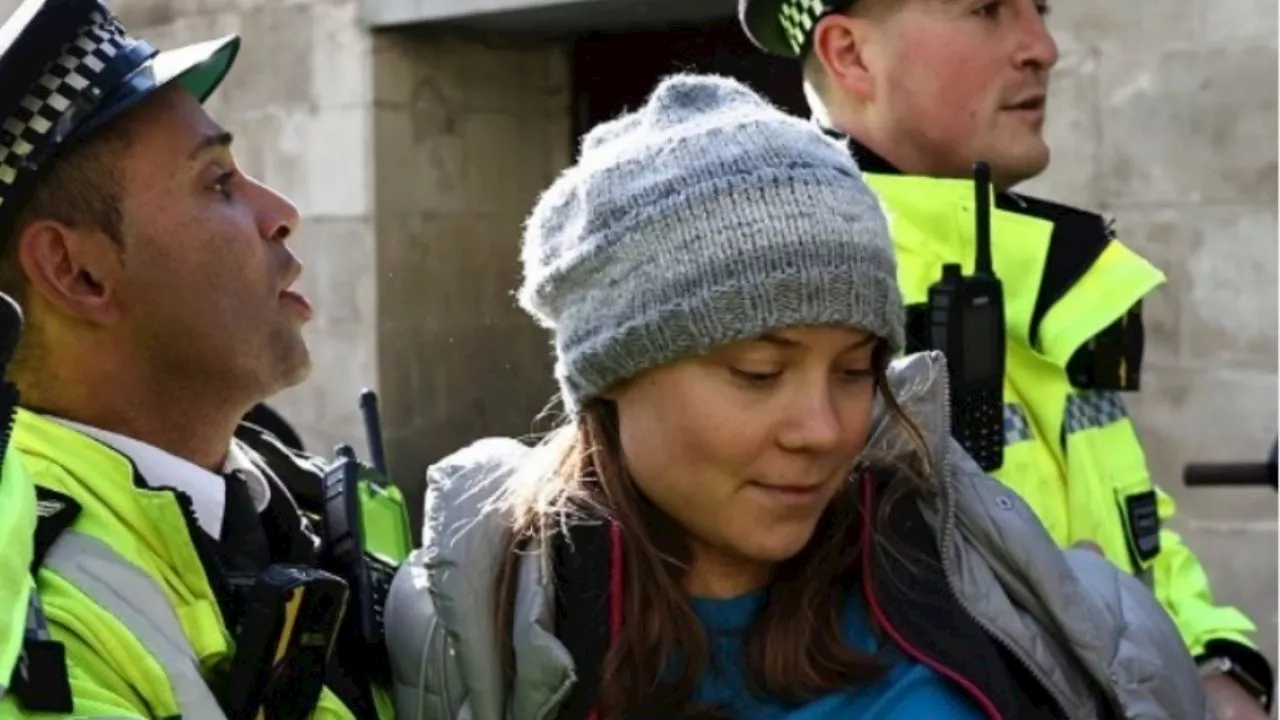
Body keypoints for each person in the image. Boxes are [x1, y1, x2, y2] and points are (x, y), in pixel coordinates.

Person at [382, 73, 1208, 720]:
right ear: (612, 375)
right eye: (757, 373)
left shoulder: (1006, 596)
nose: (823, 430)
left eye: (856, 371)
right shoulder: (462, 641)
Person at [736, 1, 1273, 717]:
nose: (1043, 47)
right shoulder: (786, 301)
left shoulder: (1041, 275)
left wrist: (1218, 662)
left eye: (1040, 9)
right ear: (850, 55)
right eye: (988, 8)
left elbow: (1131, 538)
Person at [0, 0, 400, 717]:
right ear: (77, 271)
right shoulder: (31, 612)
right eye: (218, 182)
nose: (280, 211)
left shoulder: (277, 492)